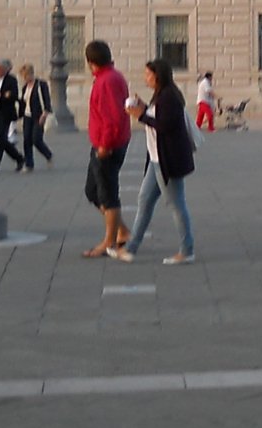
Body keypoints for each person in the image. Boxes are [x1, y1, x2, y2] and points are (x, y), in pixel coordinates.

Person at [112, 58, 197, 265]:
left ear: (158, 75)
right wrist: (142, 107)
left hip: (167, 160)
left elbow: (165, 125)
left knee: (176, 204)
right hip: (156, 159)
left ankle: (187, 251)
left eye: (148, 74)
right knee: (144, 200)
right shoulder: (160, 95)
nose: (145, 78)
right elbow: (156, 116)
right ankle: (131, 247)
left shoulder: (169, 97)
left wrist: (140, 115)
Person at [81, 41, 132, 259]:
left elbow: (112, 117)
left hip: (108, 146)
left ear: (90, 62)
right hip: (105, 142)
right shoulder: (111, 77)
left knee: (108, 193)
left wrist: (105, 145)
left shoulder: (107, 81)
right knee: (92, 191)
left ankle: (109, 242)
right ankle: (122, 231)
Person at [20, 63, 54, 170]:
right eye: (23, 77)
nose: (24, 79)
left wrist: (44, 114)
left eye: (26, 76)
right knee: (26, 139)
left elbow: (47, 100)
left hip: (38, 116)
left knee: (36, 139)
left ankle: (48, 155)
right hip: (27, 116)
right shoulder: (25, 87)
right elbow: (23, 102)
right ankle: (29, 164)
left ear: (31, 74)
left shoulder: (41, 85)